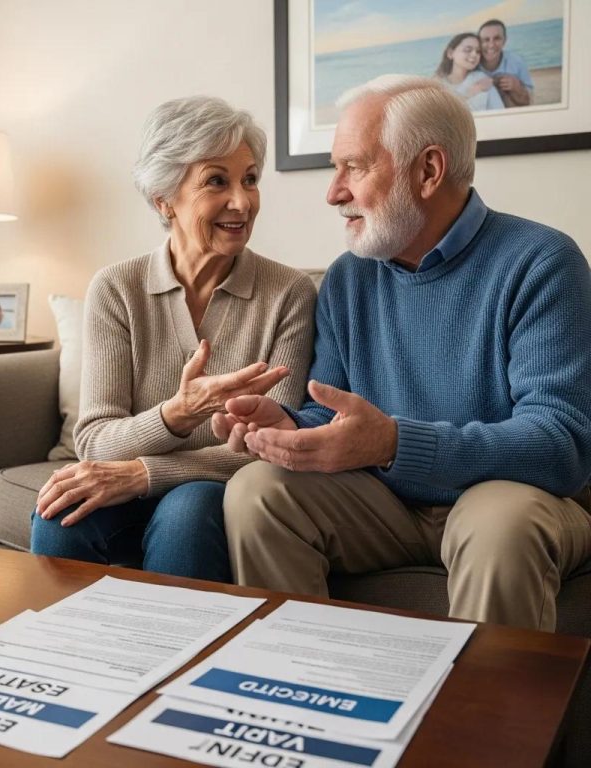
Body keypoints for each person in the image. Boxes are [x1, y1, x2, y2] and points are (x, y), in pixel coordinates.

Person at [215, 75, 591, 631]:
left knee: (499, 523)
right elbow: (335, 414)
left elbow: (561, 444)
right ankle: (301, 696)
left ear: (428, 171)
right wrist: (291, 426)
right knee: (257, 492)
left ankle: (482, 719)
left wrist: (395, 442)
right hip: (386, 504)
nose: (333, 191)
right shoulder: (349, 279)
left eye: (354, 167)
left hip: (512, 499)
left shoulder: (541, 262)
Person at [31, 95, 317, 582]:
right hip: (132, 491)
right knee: (60, 512)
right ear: (165, 200)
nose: (242, 201)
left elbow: (273, 447)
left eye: (250, 179)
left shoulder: (288, 293)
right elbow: (94, 440)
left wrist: (145, 474)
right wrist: (177, 414)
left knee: (186, 512)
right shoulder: (116, 288)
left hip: (212, 493)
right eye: (216, 181)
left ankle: (181, 658)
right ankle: (72, 655)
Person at [435, 33, 504, 111]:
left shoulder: (481, 79)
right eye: (468, 50)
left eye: (478, 51)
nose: (474, 54)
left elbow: (500, 111)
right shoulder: (438, 85)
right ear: (450, 53)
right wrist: (469, 95)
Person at [478, 19, 533, 108]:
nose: (491, 45)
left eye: (497, 38)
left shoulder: (517, 62)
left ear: (504, 40)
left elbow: (529, 100)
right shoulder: (471, 64)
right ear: (479, 42)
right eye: (486, 40)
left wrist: (516, 86)